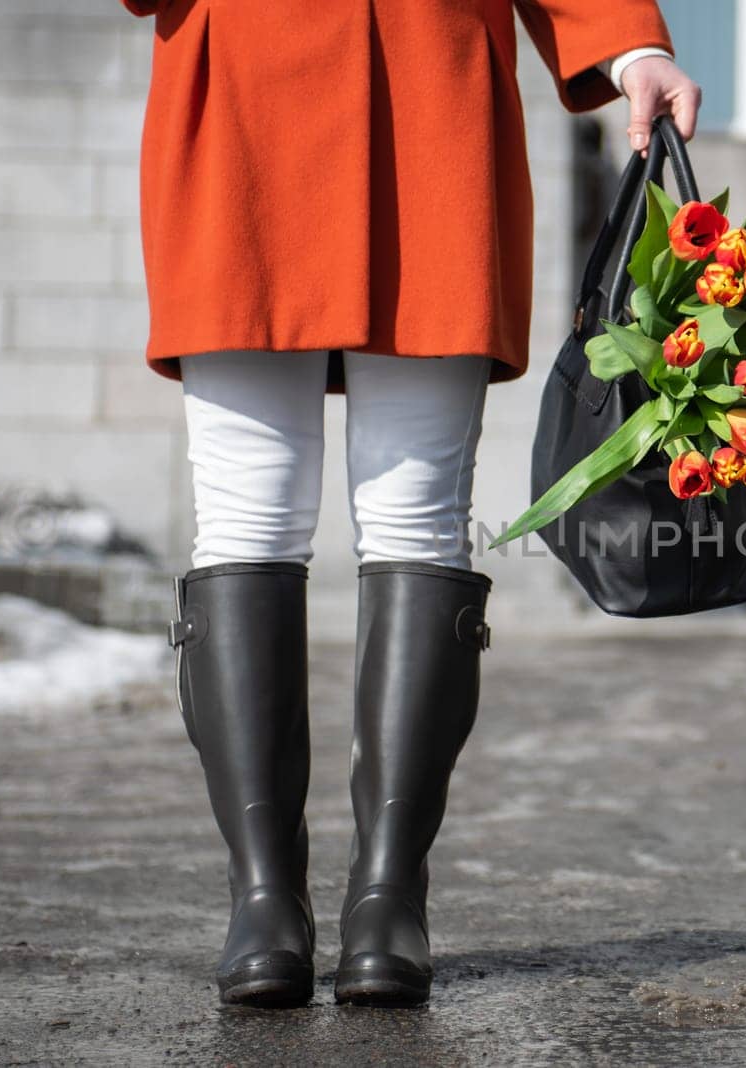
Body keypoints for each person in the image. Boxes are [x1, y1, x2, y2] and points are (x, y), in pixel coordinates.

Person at [119, 0, 701, 1009]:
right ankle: (264, 898)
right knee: (246, 518)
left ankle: (390, 895)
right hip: (245, 99)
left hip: (431, 100)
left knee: (418, 519)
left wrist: (629, 43)